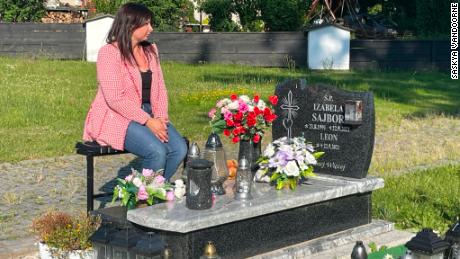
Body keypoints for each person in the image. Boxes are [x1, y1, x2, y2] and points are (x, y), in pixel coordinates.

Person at [82, 3, 187, 180]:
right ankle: (142, 200)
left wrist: (160, 117)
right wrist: (147, 121)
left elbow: (160, 88)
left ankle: (154, 193)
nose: (151, 28)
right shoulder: (109, 53)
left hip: (149, 113)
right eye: (146, 24)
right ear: (131, 25)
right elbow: (115, 99)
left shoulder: (150, 51)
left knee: (179, 149)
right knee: (157, 152)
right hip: (116, 116)